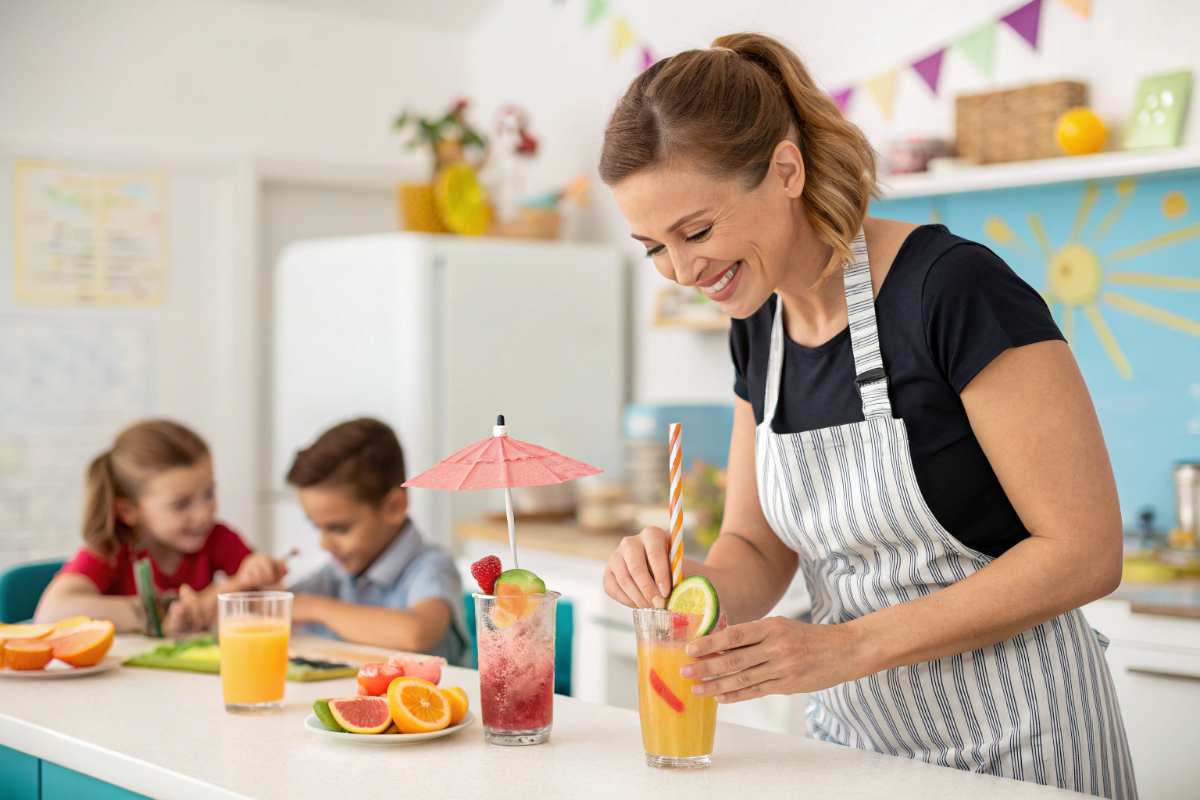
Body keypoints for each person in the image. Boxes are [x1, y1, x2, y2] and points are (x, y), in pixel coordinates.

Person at [598, 32, 1136, 797]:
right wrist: (688, 586)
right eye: (653, 247)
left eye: (697, 231)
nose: (682, 272)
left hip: (1024, 746)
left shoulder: (951, 290)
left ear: (785, 169)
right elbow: (754, 546)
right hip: (858, 754)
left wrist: (847, 646)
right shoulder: (759, 325)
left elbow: (1084, 552)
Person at [34, 420, 285, 636]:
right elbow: (51, 612)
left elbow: (273, 604)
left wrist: (262, 575)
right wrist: (159, 611)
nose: (203, 514)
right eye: (180, 504)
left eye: (209, 493)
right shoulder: (110, 549)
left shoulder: (218, 538)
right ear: (128, 511)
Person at [285, 418, 467, 664]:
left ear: (394, 507)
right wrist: (253, 584)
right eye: (315, 526)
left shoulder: (431, 567)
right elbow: (273, 610)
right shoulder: (336, 574)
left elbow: (416, 633)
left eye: (338, 528)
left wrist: (316, 609)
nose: (325, 544)